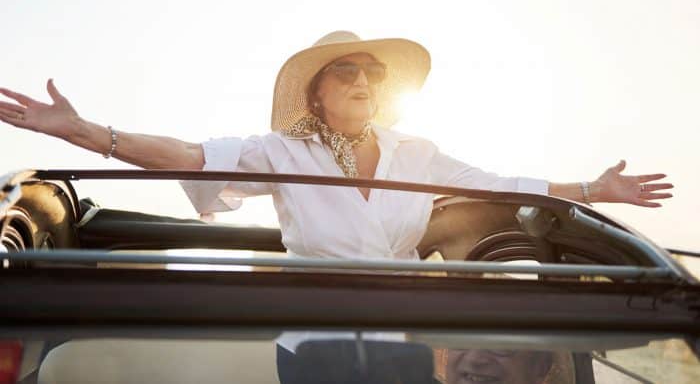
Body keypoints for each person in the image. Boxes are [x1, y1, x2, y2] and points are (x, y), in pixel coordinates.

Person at [0, 31, 673, 380]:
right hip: (315, 342)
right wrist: (85, 133)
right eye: (346, 72)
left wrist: (591, 189)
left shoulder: (416, 150)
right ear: (317, 94)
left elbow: (500, 182)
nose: (363, 82)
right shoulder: (280, 151)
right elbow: (191, 156)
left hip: (408, 343)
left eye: (371, 75)